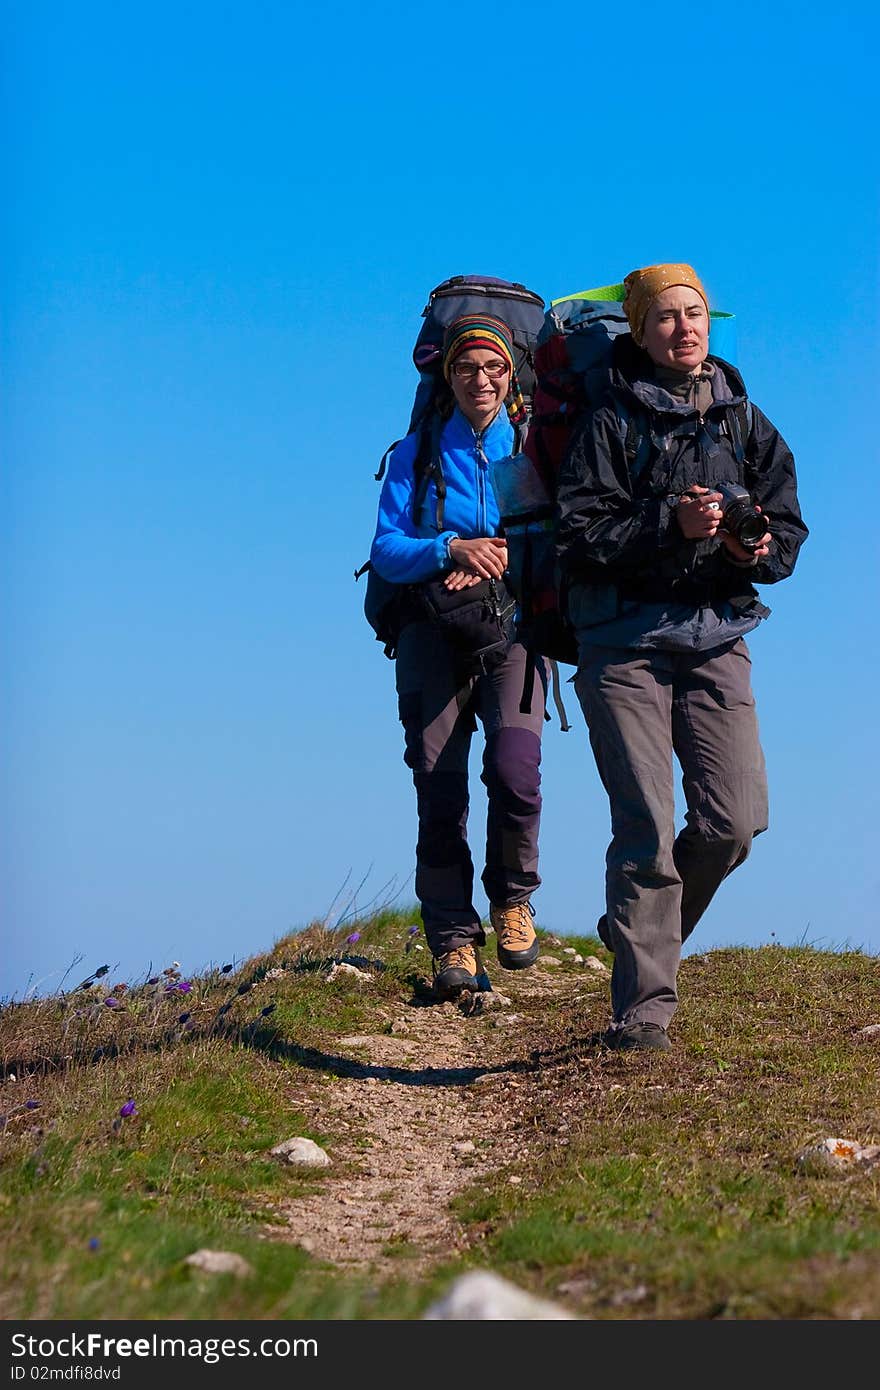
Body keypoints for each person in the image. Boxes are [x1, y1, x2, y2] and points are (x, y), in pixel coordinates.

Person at [556, 263, 808, 1050]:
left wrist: (752, 542)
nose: (684, 328)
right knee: (646, 826)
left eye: (695, 313)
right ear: (638, 331)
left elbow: (788, 539)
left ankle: (636, 930)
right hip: (622, 643)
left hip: (716, 635)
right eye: (665, 317)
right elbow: (578, 537)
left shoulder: (745, 422)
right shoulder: (607, 423)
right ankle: (642, 1017)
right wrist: (674, 524)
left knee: (735, 823)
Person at [370, 313, 548, 1000]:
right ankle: (451, 939)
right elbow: (386, 548)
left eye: (495, 369)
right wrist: (449, 549)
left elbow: (557, 537)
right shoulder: (416, 454)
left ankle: (512, 899)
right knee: (438, 785)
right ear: (449, 377)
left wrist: (501, 556)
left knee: (515, 768)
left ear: (511, 378)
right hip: (429, 630)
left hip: (514, 627)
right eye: (468, 368)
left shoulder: (530, 451)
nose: (482, 380)